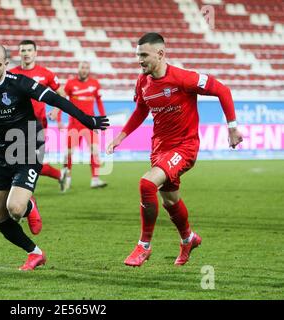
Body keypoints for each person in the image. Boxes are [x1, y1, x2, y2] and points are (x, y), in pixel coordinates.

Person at [0, 43, 109, 270]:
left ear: (6, 65)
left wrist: (88, 119)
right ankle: (35, 253)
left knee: (15, 209)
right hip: (0, 154)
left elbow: (55, 99)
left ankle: (28, 205)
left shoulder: (19, 83)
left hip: (29, 147)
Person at [106, 33, 243, 267]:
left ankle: (143, 246)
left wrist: (232, 128)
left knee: (147, 184)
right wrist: (121, 136)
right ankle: (188, 238)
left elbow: (222, 90)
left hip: (185, 147)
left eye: (143, 55)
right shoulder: (143, 81)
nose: (139, 60)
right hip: (160, 149)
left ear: (160, 54)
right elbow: (141, 109)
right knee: (170, 200)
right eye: (137, 55)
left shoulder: (183, 78)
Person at [10, 39, 67, 191]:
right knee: (25, 162)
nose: (26, 53)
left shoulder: (45, 74)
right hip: (15, 124)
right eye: (23, 50)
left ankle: (22, 194)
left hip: (37, 124)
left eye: (29, 50)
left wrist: (56, 110)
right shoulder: (12, 74)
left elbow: (62, 93)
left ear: (35, 53)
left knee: (30, 161)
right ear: (19, 53)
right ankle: (59, 175)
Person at [53, 61, 108, 191]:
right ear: (78, 69)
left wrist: (103, 119)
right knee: (68, 154)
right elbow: (61, 101)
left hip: (90, 124)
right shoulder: (70, 83)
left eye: (86, 68)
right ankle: (67, 177)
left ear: (89, 70)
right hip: (74, 124)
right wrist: (59, 120)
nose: (84, 70)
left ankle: (95, 179)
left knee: (95, 151)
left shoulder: (95, 84)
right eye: (82, 67)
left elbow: (99, 102)